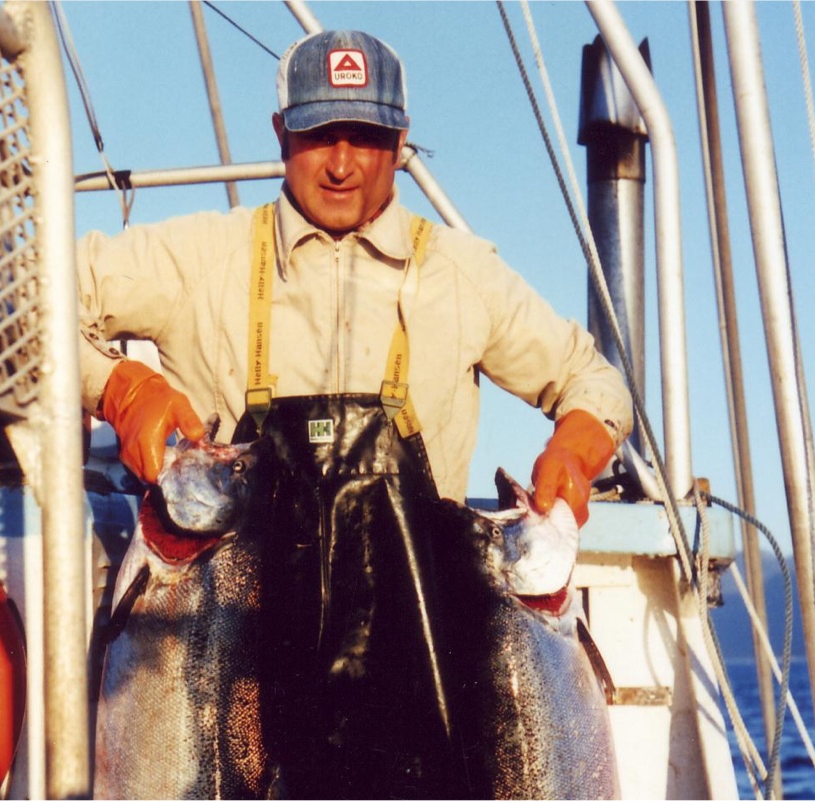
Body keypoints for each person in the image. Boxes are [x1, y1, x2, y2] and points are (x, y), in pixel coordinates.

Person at [78, 29, 632, 798]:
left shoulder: (463, 274)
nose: (341, 163)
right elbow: (32, 299)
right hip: (232, 674)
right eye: (318, 135)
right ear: (281, 135)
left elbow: (594, 382)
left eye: (365, 137)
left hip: (422, 683)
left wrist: (572, 453)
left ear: (399, 143)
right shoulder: (196, 257)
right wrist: (120, 388)